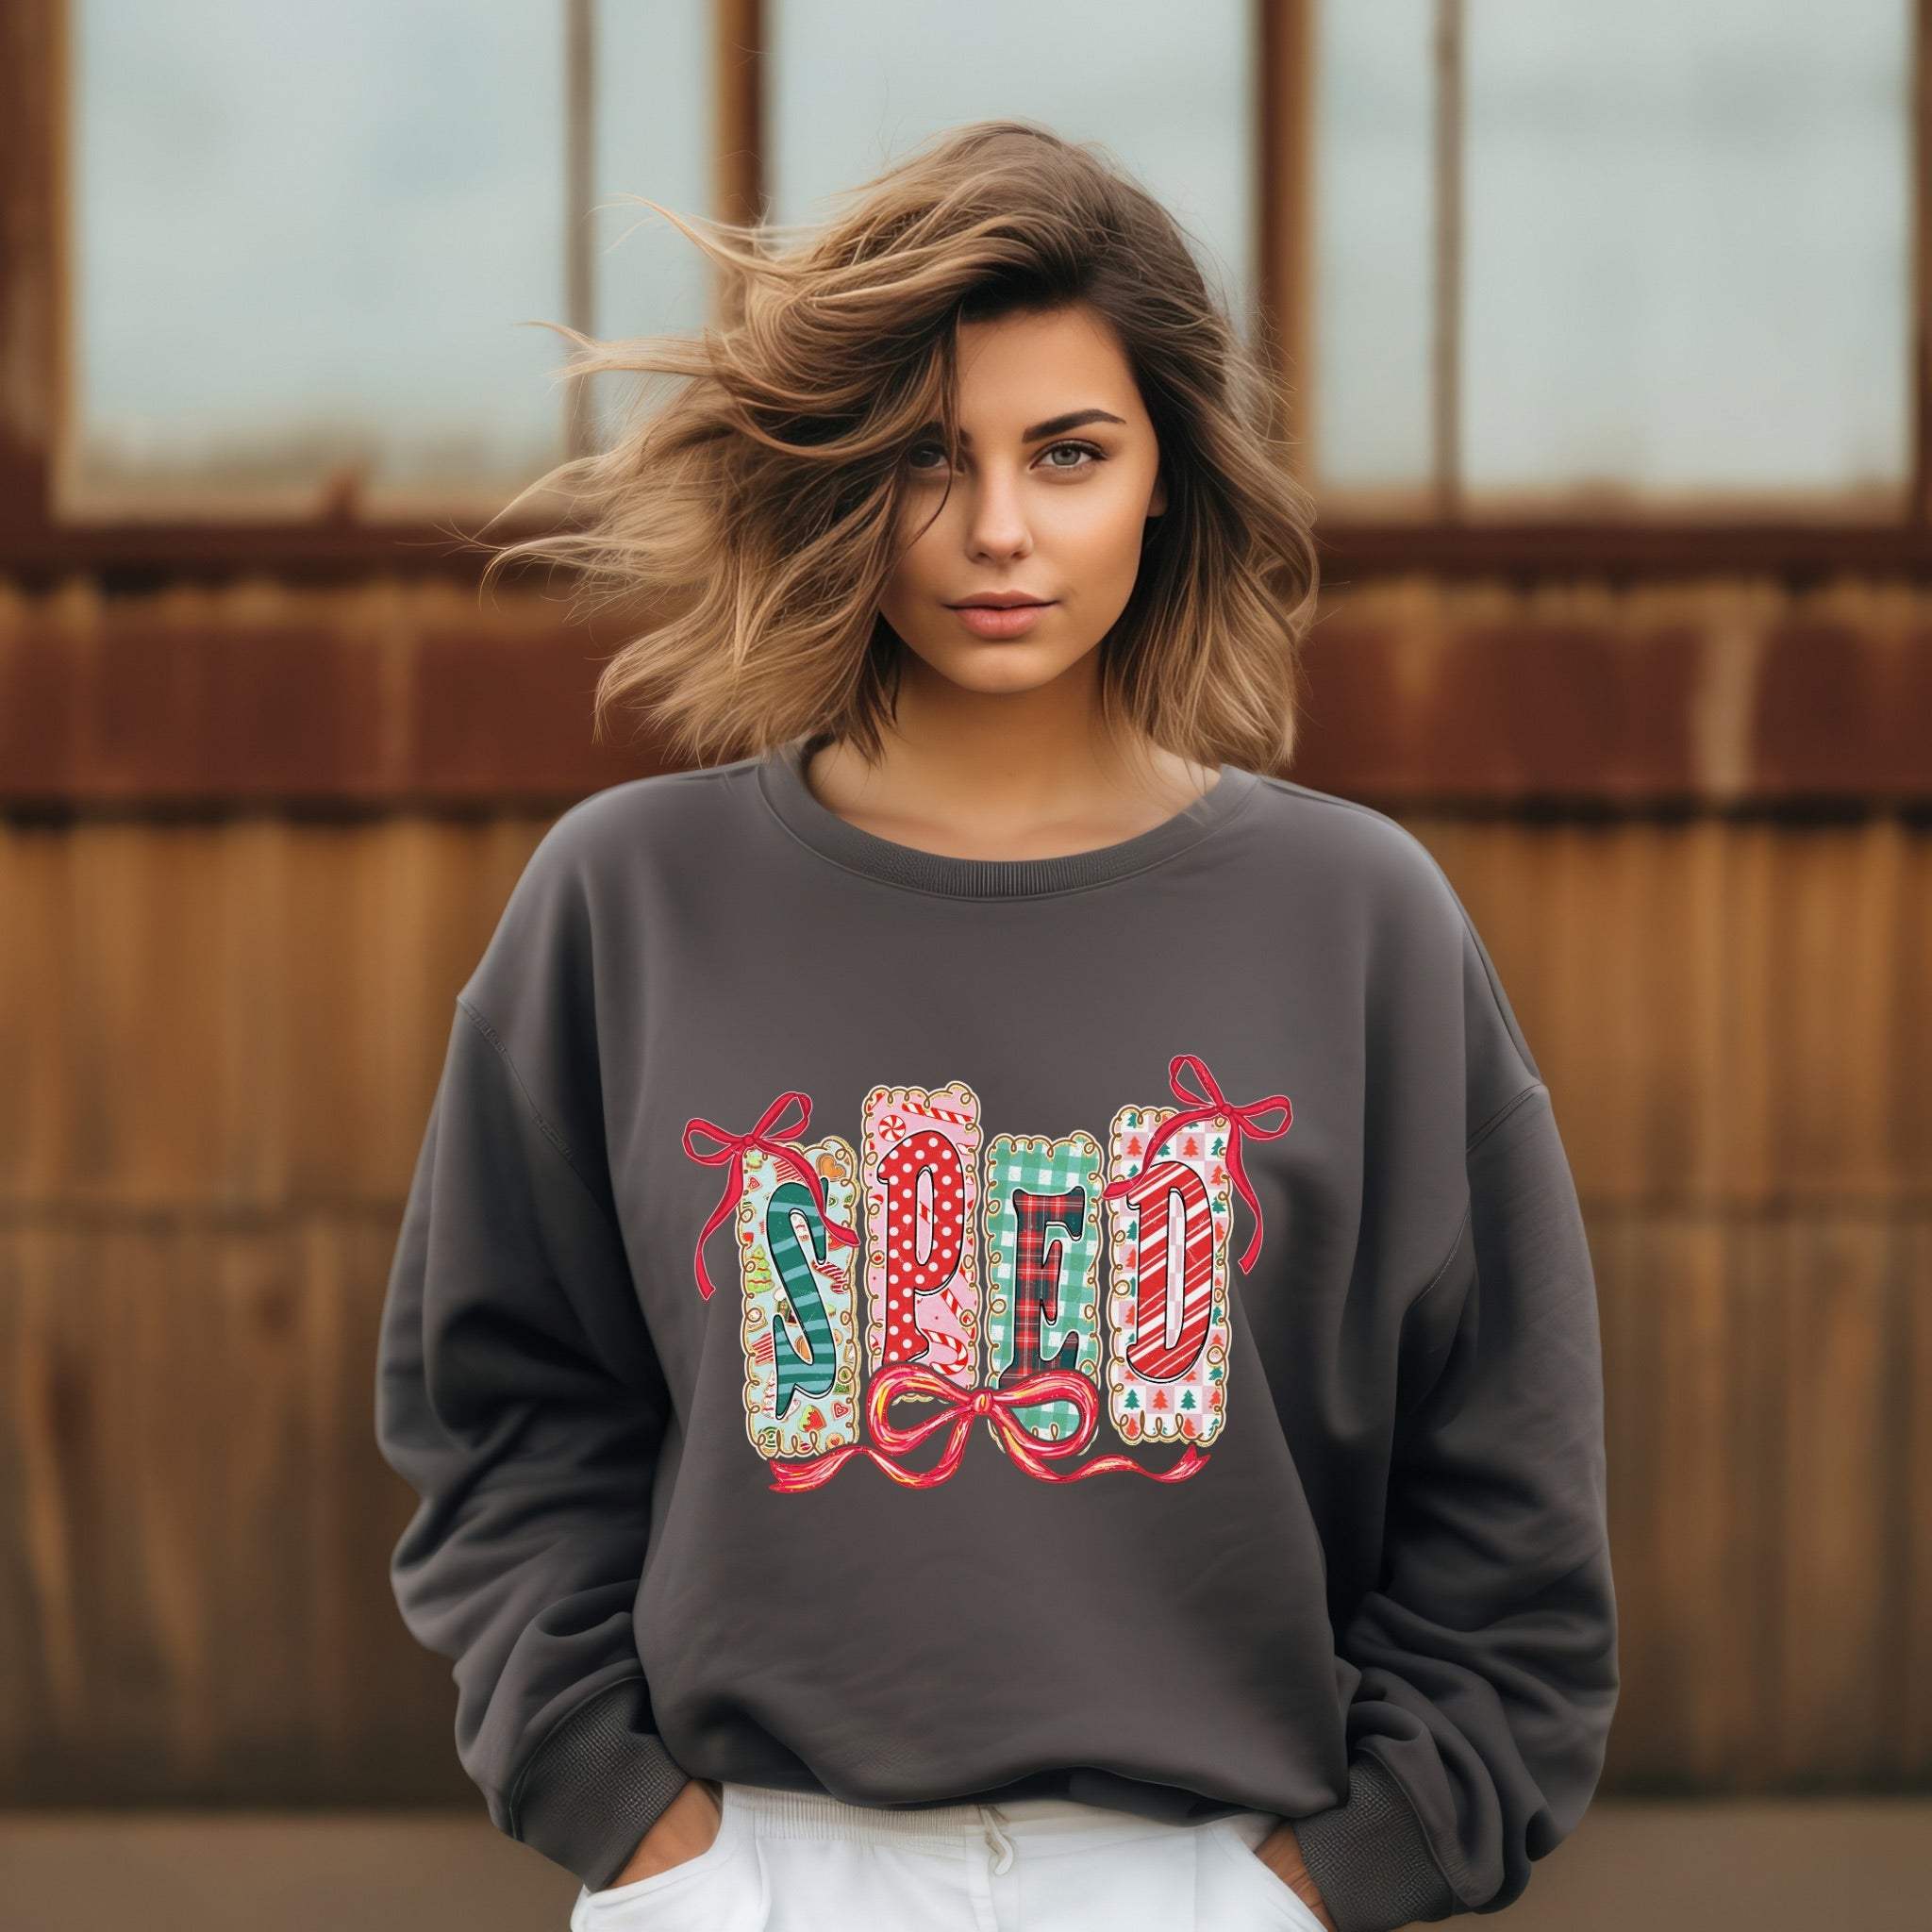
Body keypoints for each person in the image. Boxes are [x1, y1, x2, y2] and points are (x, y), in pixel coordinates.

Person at [375, 120, 1618, 1932]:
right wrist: (636, 1824)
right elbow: (501, 1410)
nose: (999, 531)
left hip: (1214, 1878)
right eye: (927, 461)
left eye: (1070, 453)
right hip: (749, 1873)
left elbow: (1509, 1483)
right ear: (838, 478)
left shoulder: (1359, 926)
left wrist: (1329, 1880)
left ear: (1167, 482)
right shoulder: (628, 900)